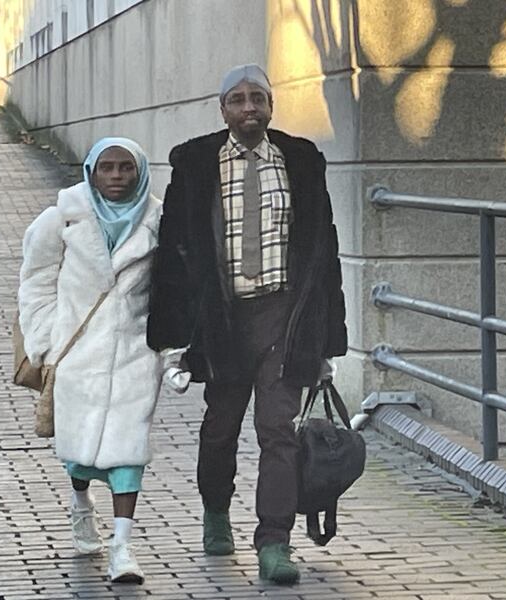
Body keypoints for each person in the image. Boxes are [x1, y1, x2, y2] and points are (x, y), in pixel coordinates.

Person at [147, 64, 347, 585]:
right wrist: (172, 338)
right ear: (223, 109)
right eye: (237, 100)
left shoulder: (301, 161)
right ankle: (216, 511)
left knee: (277, 430)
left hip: (284, 315)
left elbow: (324, 251)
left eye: (257, 98)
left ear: (271, 105)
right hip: (223, 320)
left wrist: (326, 339)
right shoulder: (194, 162)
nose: (248, 108)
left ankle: (274, 542)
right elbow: (173, 252)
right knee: (220, 429)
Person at [18, 138, 164, 584]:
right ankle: (81, 502)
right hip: (76, 351)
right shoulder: (60, 218)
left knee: (128, 450)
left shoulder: (159, 220)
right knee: (79, 452)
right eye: (108, 168)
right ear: (91, 172)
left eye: (126, 168)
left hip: (135, 353)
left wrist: (171, 346)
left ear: (139, 172)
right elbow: (36, 282)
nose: (117, 176)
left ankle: (123, 547)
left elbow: (172, 290)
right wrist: (45, 340)